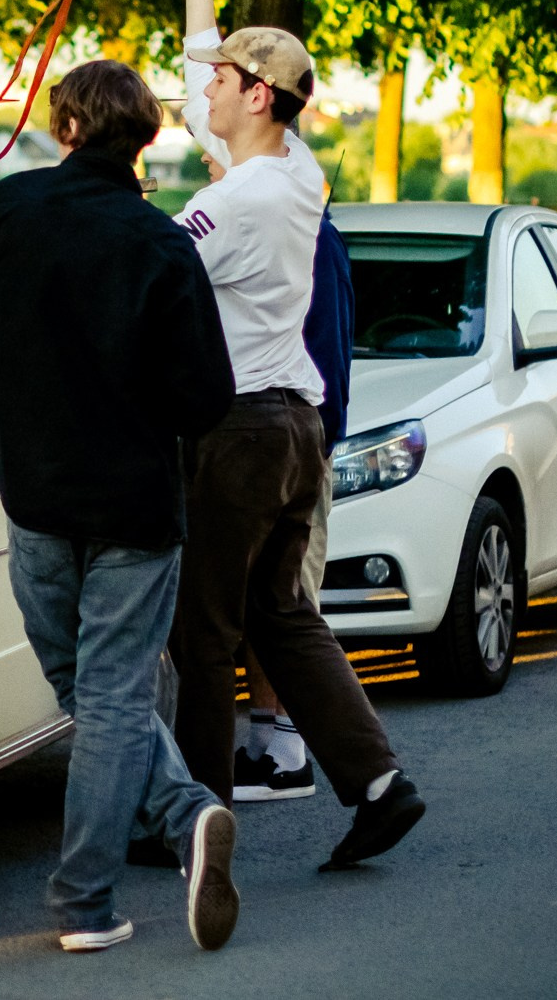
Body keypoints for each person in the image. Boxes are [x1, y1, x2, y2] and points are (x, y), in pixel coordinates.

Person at [0, 59, 241, 954]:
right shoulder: (161, 243)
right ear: (144, 140)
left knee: (85, 688)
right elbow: (206, 399)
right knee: (106, 694)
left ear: (64, 127)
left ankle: (90, 897)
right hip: (137, 508)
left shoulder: (11, 208)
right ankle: (180, 823)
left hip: (33, 499)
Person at [171, 0, 425, 869]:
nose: (207, 90)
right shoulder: (293, 169)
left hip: (237, 431)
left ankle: (197, 819)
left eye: (226, 80)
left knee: (207, 626)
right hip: (296, 425)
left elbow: (159, 268)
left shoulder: (235, 202)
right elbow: (207, 92)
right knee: (283, 613)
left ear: (260, 94)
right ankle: (379, 783)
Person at [197, 152, 357, 801]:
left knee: (284, 603)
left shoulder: (304, 239)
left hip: (288, 437)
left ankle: (291, 751)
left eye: (222, 162)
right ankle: (269, 742)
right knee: (273, 601)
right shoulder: (310, 234)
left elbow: (311, 347)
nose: (214, 168)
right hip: (301, 436)